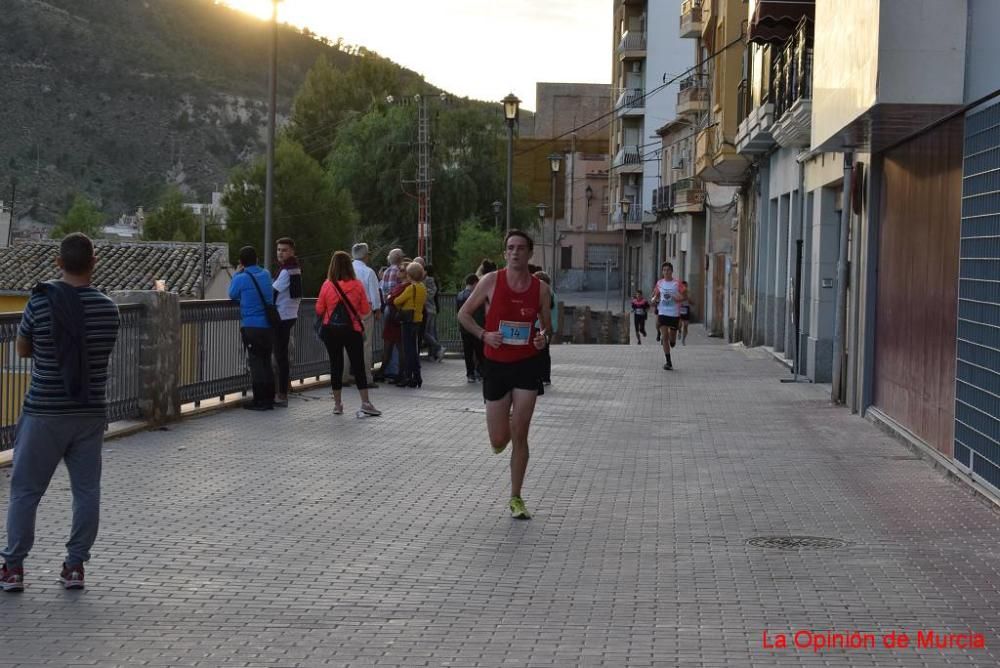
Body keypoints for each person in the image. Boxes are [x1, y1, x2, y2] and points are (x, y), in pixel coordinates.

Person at [1, 233, 121, 592]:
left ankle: (13, 568)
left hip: (44, 412)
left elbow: (23, 350)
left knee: (25, 490)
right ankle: (74, 567)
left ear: (58, 263)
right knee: (86, 491)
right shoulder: (108, 309)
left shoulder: (40, 302)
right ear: (93, 263)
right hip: (89, 412)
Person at [458, 230, 551, 520]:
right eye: (510, 248)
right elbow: (463, 314)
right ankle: (506, 425)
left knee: (521, 434)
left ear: (530, 253)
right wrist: (484, 334)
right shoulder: (491, 281)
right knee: (499, 439)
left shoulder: (541, 290)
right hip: (496, 366)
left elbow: (547, 328)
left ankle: (516, 497)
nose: (515, 253)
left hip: (527, 365)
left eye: (520, 248)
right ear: (504, 254)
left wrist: (543, 338)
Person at [316, 251, 381, 417]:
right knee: (358, 365)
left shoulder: (327, 285)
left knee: (335, 365)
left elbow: (319, 309)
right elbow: (365, 309)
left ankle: (338, 405)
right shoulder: (357, 285)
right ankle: (365, 402)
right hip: (352, 330)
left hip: (331, 330)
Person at [229, 246, 276, 409]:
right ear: (257, 260)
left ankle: (260, 400)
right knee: (266, 361)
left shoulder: (241, 278)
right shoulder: (266, 274)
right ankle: (270, 398)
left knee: (256, 363)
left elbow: (232, 294)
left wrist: (237, 272)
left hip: (251, 326)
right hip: (268, 326)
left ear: (241, 262)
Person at [346, 242, 382, 387]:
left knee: (346, 343)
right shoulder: (368, 272)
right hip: (364, 310)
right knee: (365, 344)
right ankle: (366, 377)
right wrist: (377, 310)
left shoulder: (346, 271)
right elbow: (374, 293)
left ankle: (344, 376)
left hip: (347, 310)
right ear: (366, 256)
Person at [271, 237, 301, 406]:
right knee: (282, 355)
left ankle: (281, 394)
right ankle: (282, 391)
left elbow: (272, 292)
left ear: (292, 252)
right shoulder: (294, 268)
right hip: (290, 315)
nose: (280, 253)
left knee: (280, 356)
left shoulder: (285, 271)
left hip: (281, 316)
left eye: (284, 250)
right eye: (278, 250)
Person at [389, 262, 427, 388]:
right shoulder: (422, 287)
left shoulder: (410, 288)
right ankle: (417, 376)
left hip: (408, 321)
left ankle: (408, 376)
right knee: (414, 350)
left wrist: (401, 306)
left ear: (410, 275)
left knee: (408, 351)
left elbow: (396, 301)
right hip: (418, 320)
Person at [413, 258, 445, 361]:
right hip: (424, 310)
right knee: (428, 332)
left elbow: (432, 293)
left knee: (426, 332)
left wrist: (420, 295)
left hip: (429, 309)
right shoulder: (419, 280)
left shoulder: (429, 279)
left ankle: (437, 349)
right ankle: (433, 354)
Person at [651, 262, 681, 370]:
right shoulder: (659, 283)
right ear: (662, 272)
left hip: (674, 314)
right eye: (664, 270)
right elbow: (655, 295)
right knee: (664, 337)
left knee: (671, 338)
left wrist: (678, 298)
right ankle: (668, 362)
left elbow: (684, 296)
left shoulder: (677, 283)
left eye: (668, 270)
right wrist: (654, 299)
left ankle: (673, 340)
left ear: (672, 271)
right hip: (663, 312)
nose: (666, 272)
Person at [456, 273, 484, 383]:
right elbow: (481, 313)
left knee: (467, 352)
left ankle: (470, 374)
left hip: (464, 328)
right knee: (479, 352)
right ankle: (481, 372)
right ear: (475, 283)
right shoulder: (475, 296)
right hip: (476, 327)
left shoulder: (459, 295)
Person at [533, 270, 556, 385]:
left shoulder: (545, 293)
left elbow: (543, 311)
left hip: (541, 326)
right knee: (545, 352)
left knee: (541, 353)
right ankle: (545, 377)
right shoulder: (552, 293)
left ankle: (543, 376)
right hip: (549, 326)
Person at [678, 280, 693, 345]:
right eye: (683, 286)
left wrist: (688, 299)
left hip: (686, 309)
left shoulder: (689, 293)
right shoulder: (678, 293)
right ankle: (679, 331)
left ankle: (683, 340)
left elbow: (692, 302)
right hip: (680, 309)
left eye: (685, 286)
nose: (684, 287)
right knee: (679, 324)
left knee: (686, 326)